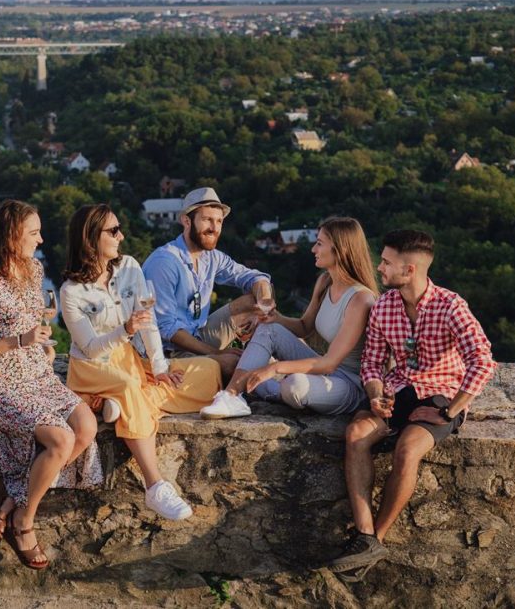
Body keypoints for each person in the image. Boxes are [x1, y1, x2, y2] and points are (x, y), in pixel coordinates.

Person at [330, 229, 497, 580]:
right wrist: (375, 394)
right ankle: (364, 536)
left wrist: (449, 410)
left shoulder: (450, 305)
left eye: (387, 263)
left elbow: (482, 361)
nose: (379, 268)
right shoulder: (384, 307)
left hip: (441, 395)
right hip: (398, 391)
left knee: (407, 450)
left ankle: (377, 537)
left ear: (409, 271)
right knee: (357, 432)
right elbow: (372, 363)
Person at [0, 200, 102, 570]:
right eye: (34, 232)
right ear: (12, 235)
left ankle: (10, 500)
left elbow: (30, 324)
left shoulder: (33, 270)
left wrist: (40, 345)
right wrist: (18, 341)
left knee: (86, 427)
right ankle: (24, 519)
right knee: (61, 439)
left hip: (37, 374)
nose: (41, 239)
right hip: (0, 383)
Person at [60, 204, 222, 520]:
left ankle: (117, 405)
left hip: (132, 361)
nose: (121, 236)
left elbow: (147, 323)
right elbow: (91, 349)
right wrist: (125, 329)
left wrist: (160, 368)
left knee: (209, 370)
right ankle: (155, 485)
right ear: (91, 238)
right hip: (93, 367)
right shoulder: (72, 291)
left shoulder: (131, 267)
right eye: (113, 231)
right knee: (128, 384)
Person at [210, 217, 377, 419]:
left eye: (320, 243)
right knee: (269, 330)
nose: (313, 249)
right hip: (325, 371)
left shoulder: (361, 299)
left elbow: (330, 363)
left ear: (340, 250)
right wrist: (276, 318)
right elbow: (304, 327)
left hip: (349, 384)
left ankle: (257, 386)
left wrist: (274, 368)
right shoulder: (325, 282)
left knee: (294, 385)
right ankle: (231, 396)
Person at [142, 187, 272, 388]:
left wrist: (263, 306)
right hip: (171, 350)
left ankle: (270, 357)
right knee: (232, 365)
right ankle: (256, 381)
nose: (215, 228)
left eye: (219, 221)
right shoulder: (165, 262)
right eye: (207, 220)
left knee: (252, 301)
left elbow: (252, 276)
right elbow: (167, 329)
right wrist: (217, 354)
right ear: (187, 221)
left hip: (198, 334)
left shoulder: (211, 257)